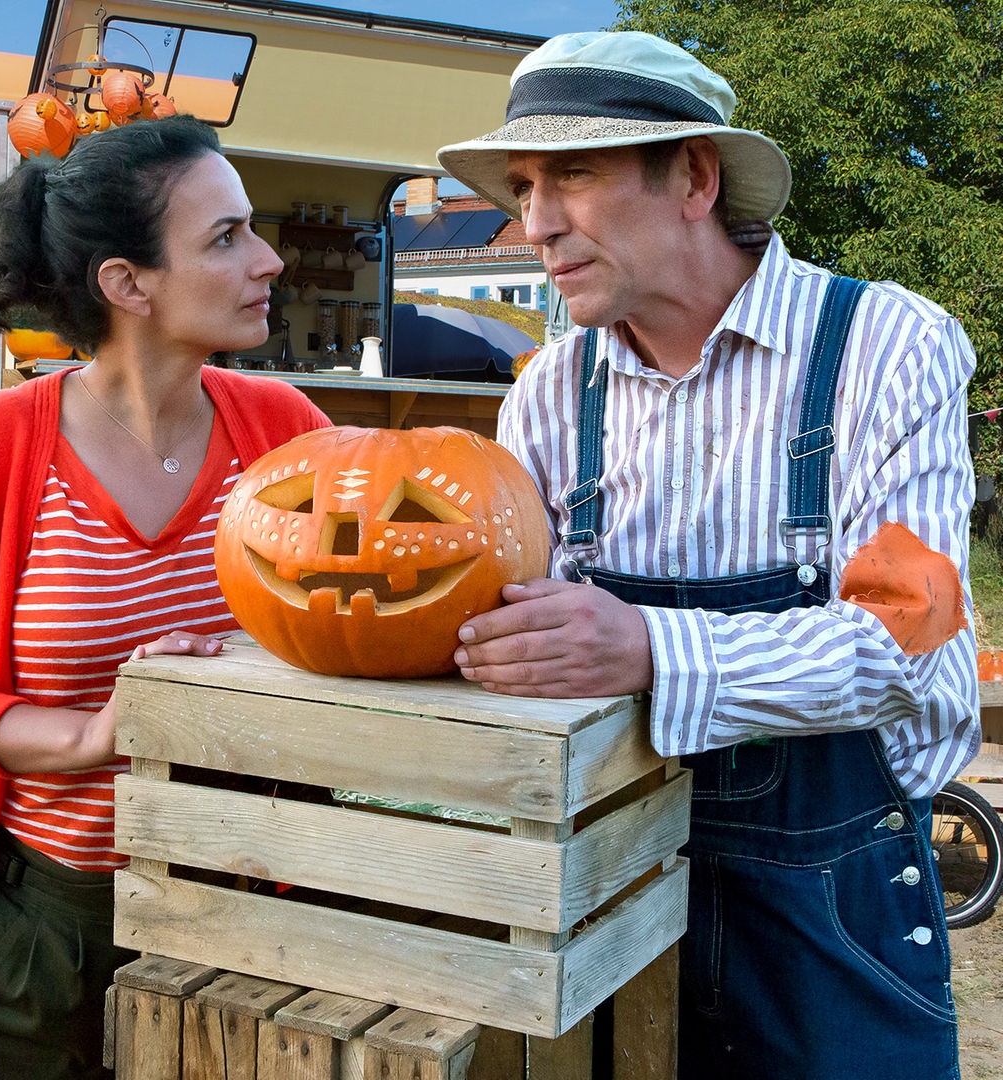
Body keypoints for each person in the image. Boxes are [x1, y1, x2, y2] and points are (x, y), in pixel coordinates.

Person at [438, 31, 978, 1079]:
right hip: (600, 887)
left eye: (575, 176)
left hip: (835, 908)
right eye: (523, 185)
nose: (535, 223)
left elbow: (906, 643)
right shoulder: (550, 392)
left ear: (692, 176)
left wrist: (648, 648)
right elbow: (494, 631)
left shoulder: (886, 348)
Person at [0, 115, 328, 1080]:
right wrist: (92, 735)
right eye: (226, 237)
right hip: (54, 926)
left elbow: (377, 606)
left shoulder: (287, 434)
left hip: (254, 906)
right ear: (127, 284)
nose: (270, 260)